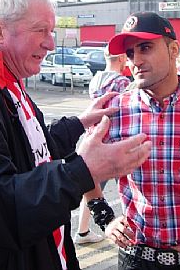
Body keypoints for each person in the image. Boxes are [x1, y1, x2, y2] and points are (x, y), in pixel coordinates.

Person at [0, 0, 153, 270]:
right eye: (40, 30)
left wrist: (79, 123)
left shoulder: (6, 80)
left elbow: (33, 152)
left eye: (51, 31)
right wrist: (84, 170)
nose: (51, 43)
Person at [86, 12, 180, 270]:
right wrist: (106, 219)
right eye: (131, 53)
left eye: (145, 47)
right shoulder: (113, 110)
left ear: (174, 49)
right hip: (135, 259)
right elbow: (83, 170)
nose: (136, 61)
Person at [74, 46, 131, 245]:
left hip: (93, 139)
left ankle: (82, 231)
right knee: (128, 188)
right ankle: (129, 229)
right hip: (113, 141)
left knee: (91, 189)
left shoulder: (96, 79)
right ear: (122, 58)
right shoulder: (122, 82)